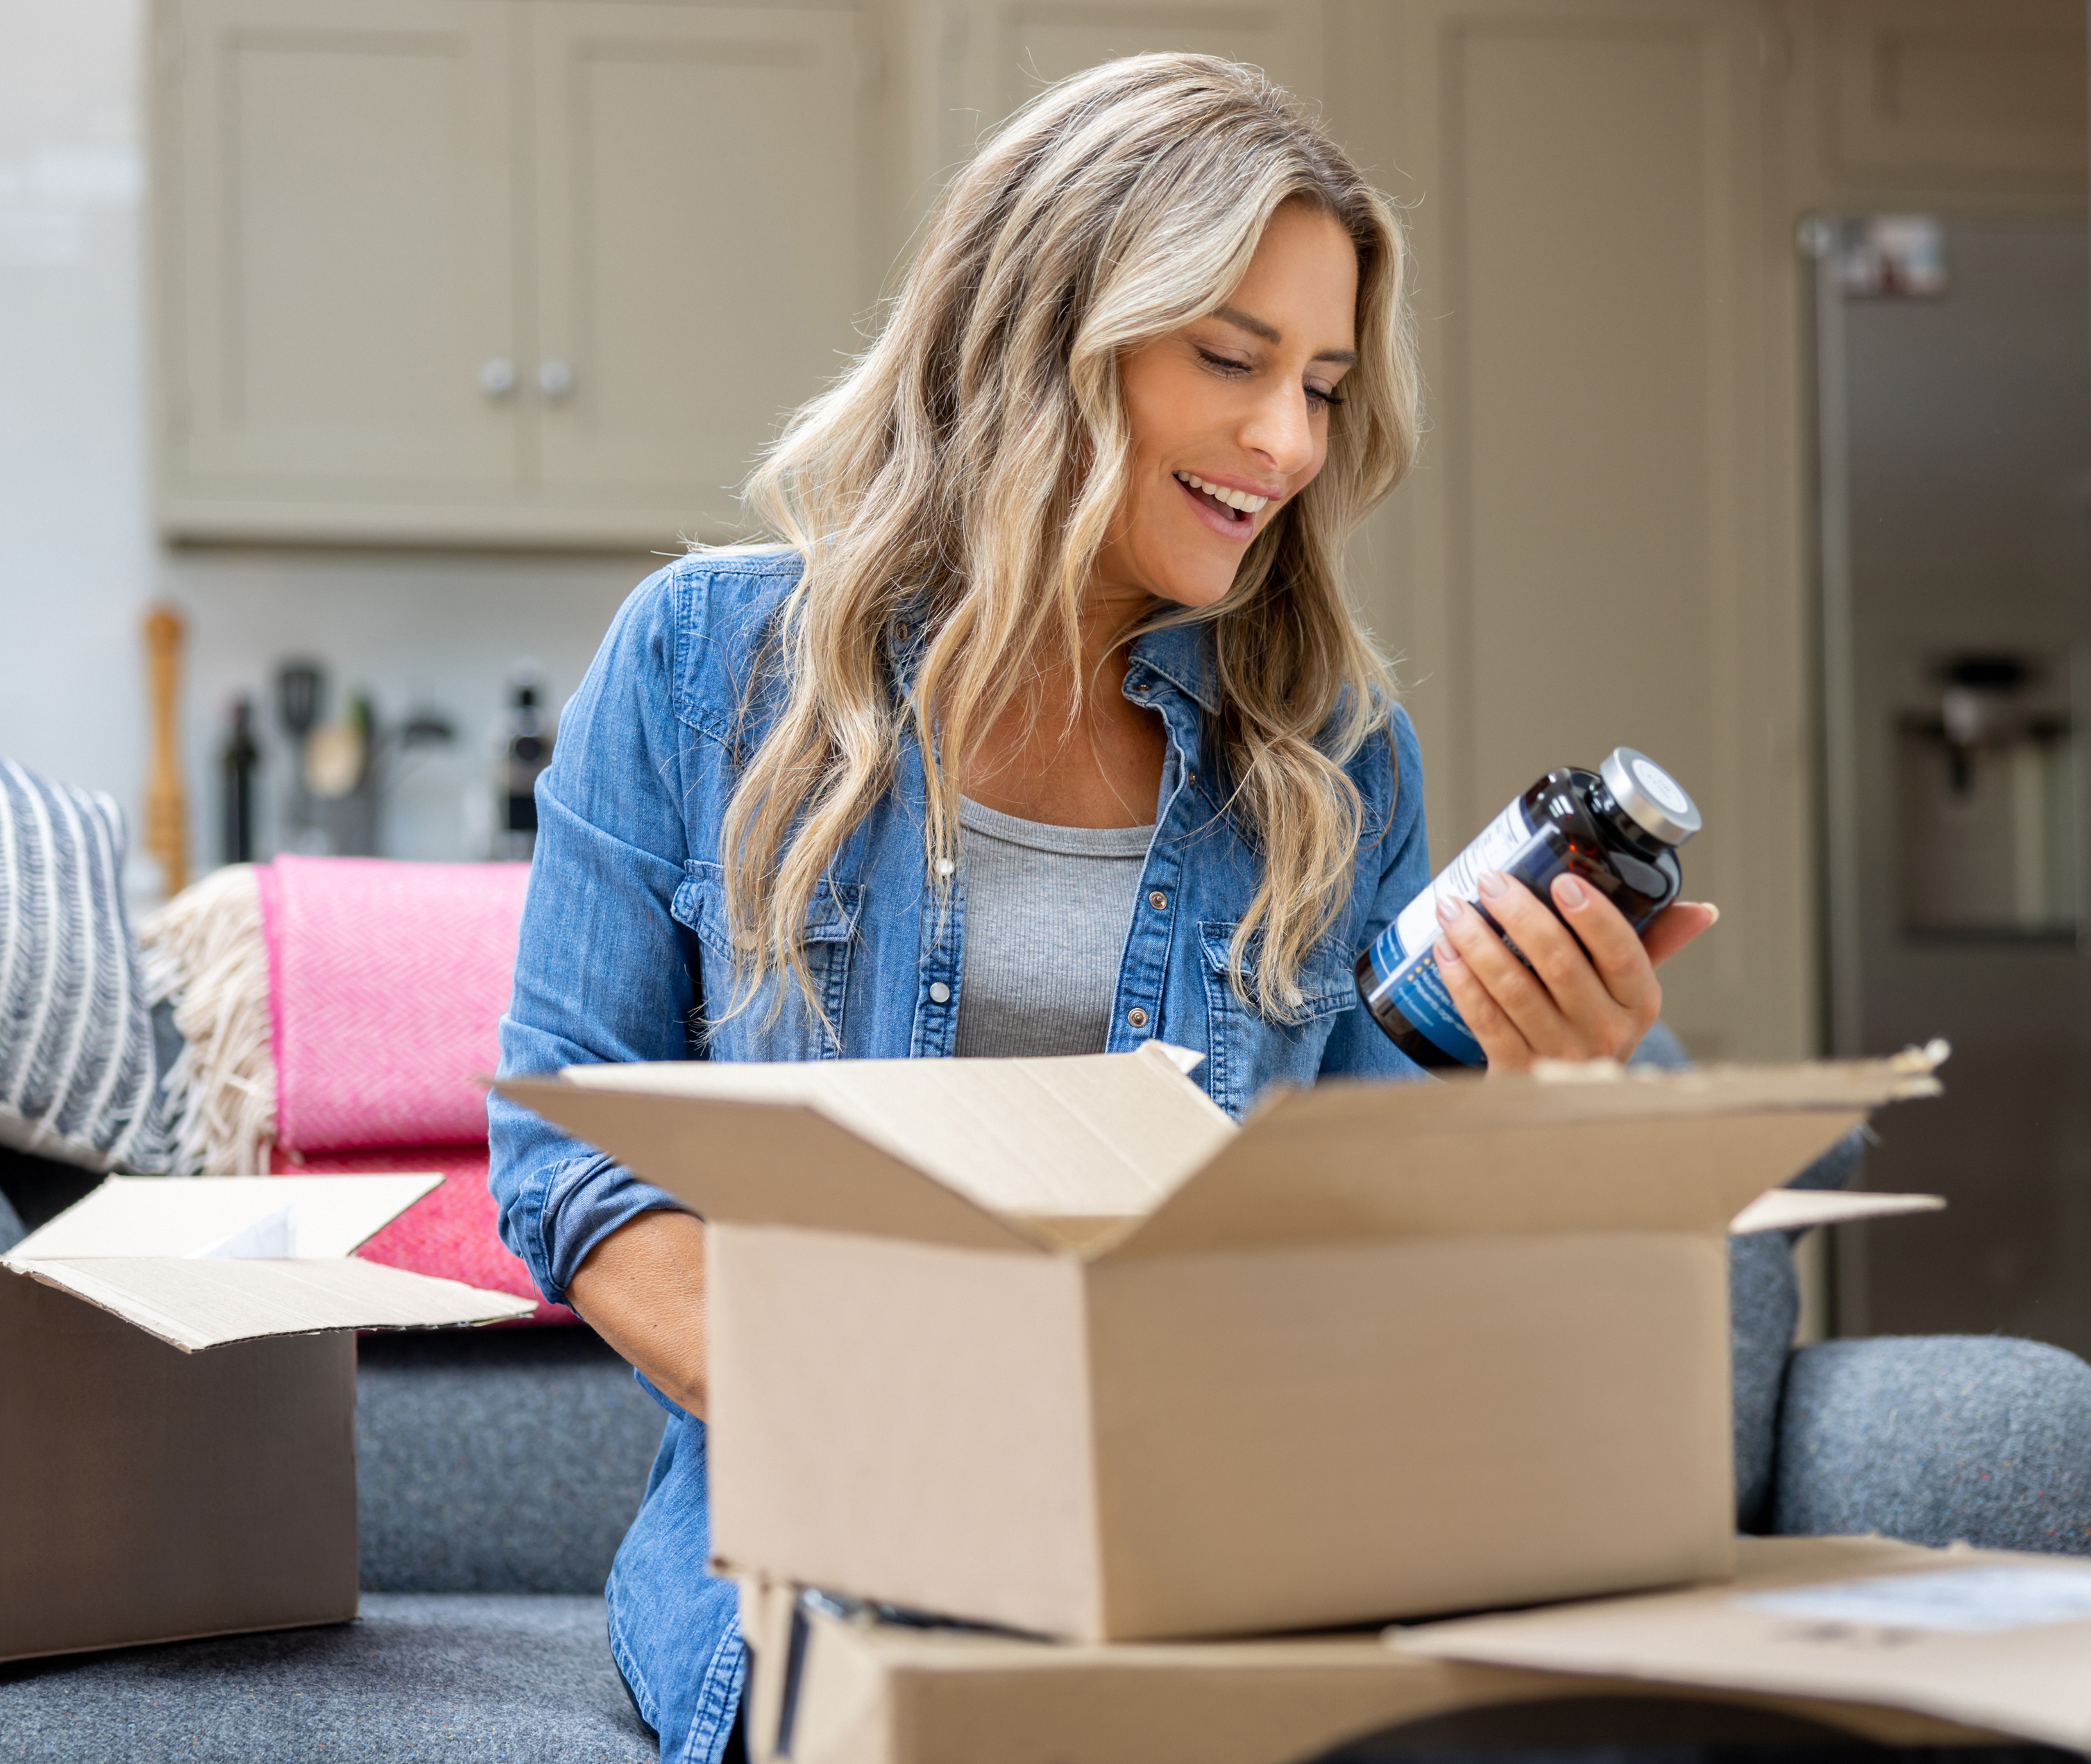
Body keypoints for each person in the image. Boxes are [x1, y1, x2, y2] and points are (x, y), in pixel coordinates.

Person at [488, 52, 1715, 1763]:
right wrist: (911, 1447)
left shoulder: (1337, 754)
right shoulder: (708, 663)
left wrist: (1554, 1100)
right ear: (1041, 328)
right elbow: (571, 1153)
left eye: (1325, 385)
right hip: (824, 1542)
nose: (1289, 443)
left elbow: (1356, 1226)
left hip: (1230, 1532)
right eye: (1231, 359)